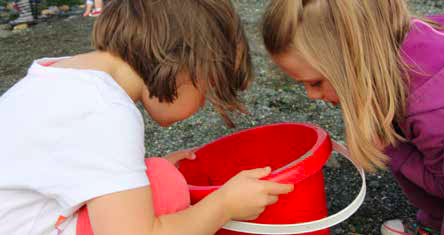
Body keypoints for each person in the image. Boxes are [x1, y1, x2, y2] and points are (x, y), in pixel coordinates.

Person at [0, 1, 294, 235]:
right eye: (207, 90)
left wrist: (137, 173)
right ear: (186, 65)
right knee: (165, 189)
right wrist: (224, 205)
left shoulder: (62, 75)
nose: (201, 103)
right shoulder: (105, 110)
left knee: (155, 176)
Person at [261, 1, 444, 235]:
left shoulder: (428, 105)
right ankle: (437, 221)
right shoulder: (401, 42)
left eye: (316, 83)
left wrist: (393, 149)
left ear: (356, 59)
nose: (311, 95)